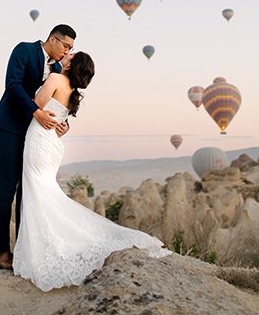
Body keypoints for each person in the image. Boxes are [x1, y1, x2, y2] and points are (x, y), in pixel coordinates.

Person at [12, 51, 171, 291]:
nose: (66, 55)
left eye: (70, 55)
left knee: (38, 192)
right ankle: (50, 242)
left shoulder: (55, 79)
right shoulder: (72, 92)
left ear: (71, 65)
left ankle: (46, 248)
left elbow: (35, 106)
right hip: (53, 145)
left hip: (40, 139)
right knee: (44, 192)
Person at [0, 24, 77, 270]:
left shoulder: (59, 69)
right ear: (53, 39)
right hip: (10, 126)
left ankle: (23, 249)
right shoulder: (24, 50)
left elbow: (60, 99)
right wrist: (36, 112)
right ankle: (2, 252)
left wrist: (64, 124)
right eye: (66, 46)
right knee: (6, 188)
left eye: (71, 49)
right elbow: (13, 84)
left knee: (27, 190)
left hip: (36, 135)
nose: (67, 51)